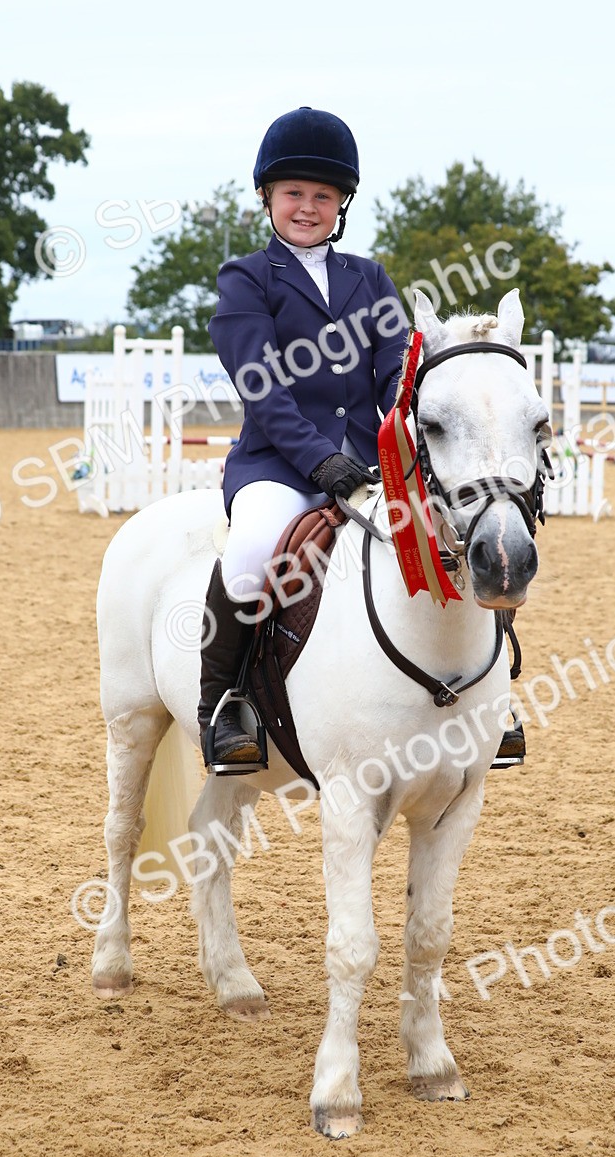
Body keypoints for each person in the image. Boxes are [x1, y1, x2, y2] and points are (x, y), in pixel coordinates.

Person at [198, 106, 409, 769]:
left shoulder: (369, 279)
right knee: (252, 552)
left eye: (323, 195)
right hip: (277, 467)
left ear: (342, 202)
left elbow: (396, 374)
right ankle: (225, 707)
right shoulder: (247, 279)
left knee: (449, 533)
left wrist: (406, 433)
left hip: (365, 465)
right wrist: (322, 462)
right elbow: (261, 387)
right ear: (268, 196)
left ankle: (484, 696)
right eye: (294, 193)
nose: (308, 207)